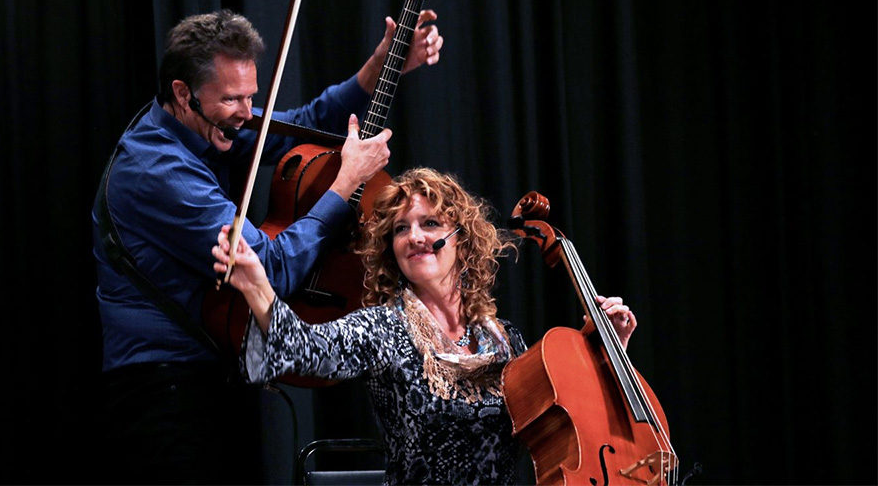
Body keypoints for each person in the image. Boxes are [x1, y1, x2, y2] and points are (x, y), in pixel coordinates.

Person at [92, 10, 443, 485]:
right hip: (162, 391)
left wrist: (380, 68)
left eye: (252, 96)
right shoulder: (158, 171)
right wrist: (344, 186)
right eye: (232, 98)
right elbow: (269, 268)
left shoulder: (203, 127)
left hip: (212, 375)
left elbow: (306, 125)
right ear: (182, 93)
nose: (247, 111)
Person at [212, 166, 638, 485]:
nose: (414, 236)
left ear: (462, 240)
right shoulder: (384, 329)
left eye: (430, 223)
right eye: (401, 228)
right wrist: (257, 286)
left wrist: (605, 352)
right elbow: (304, 349)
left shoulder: (505, 340)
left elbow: (564, 423)